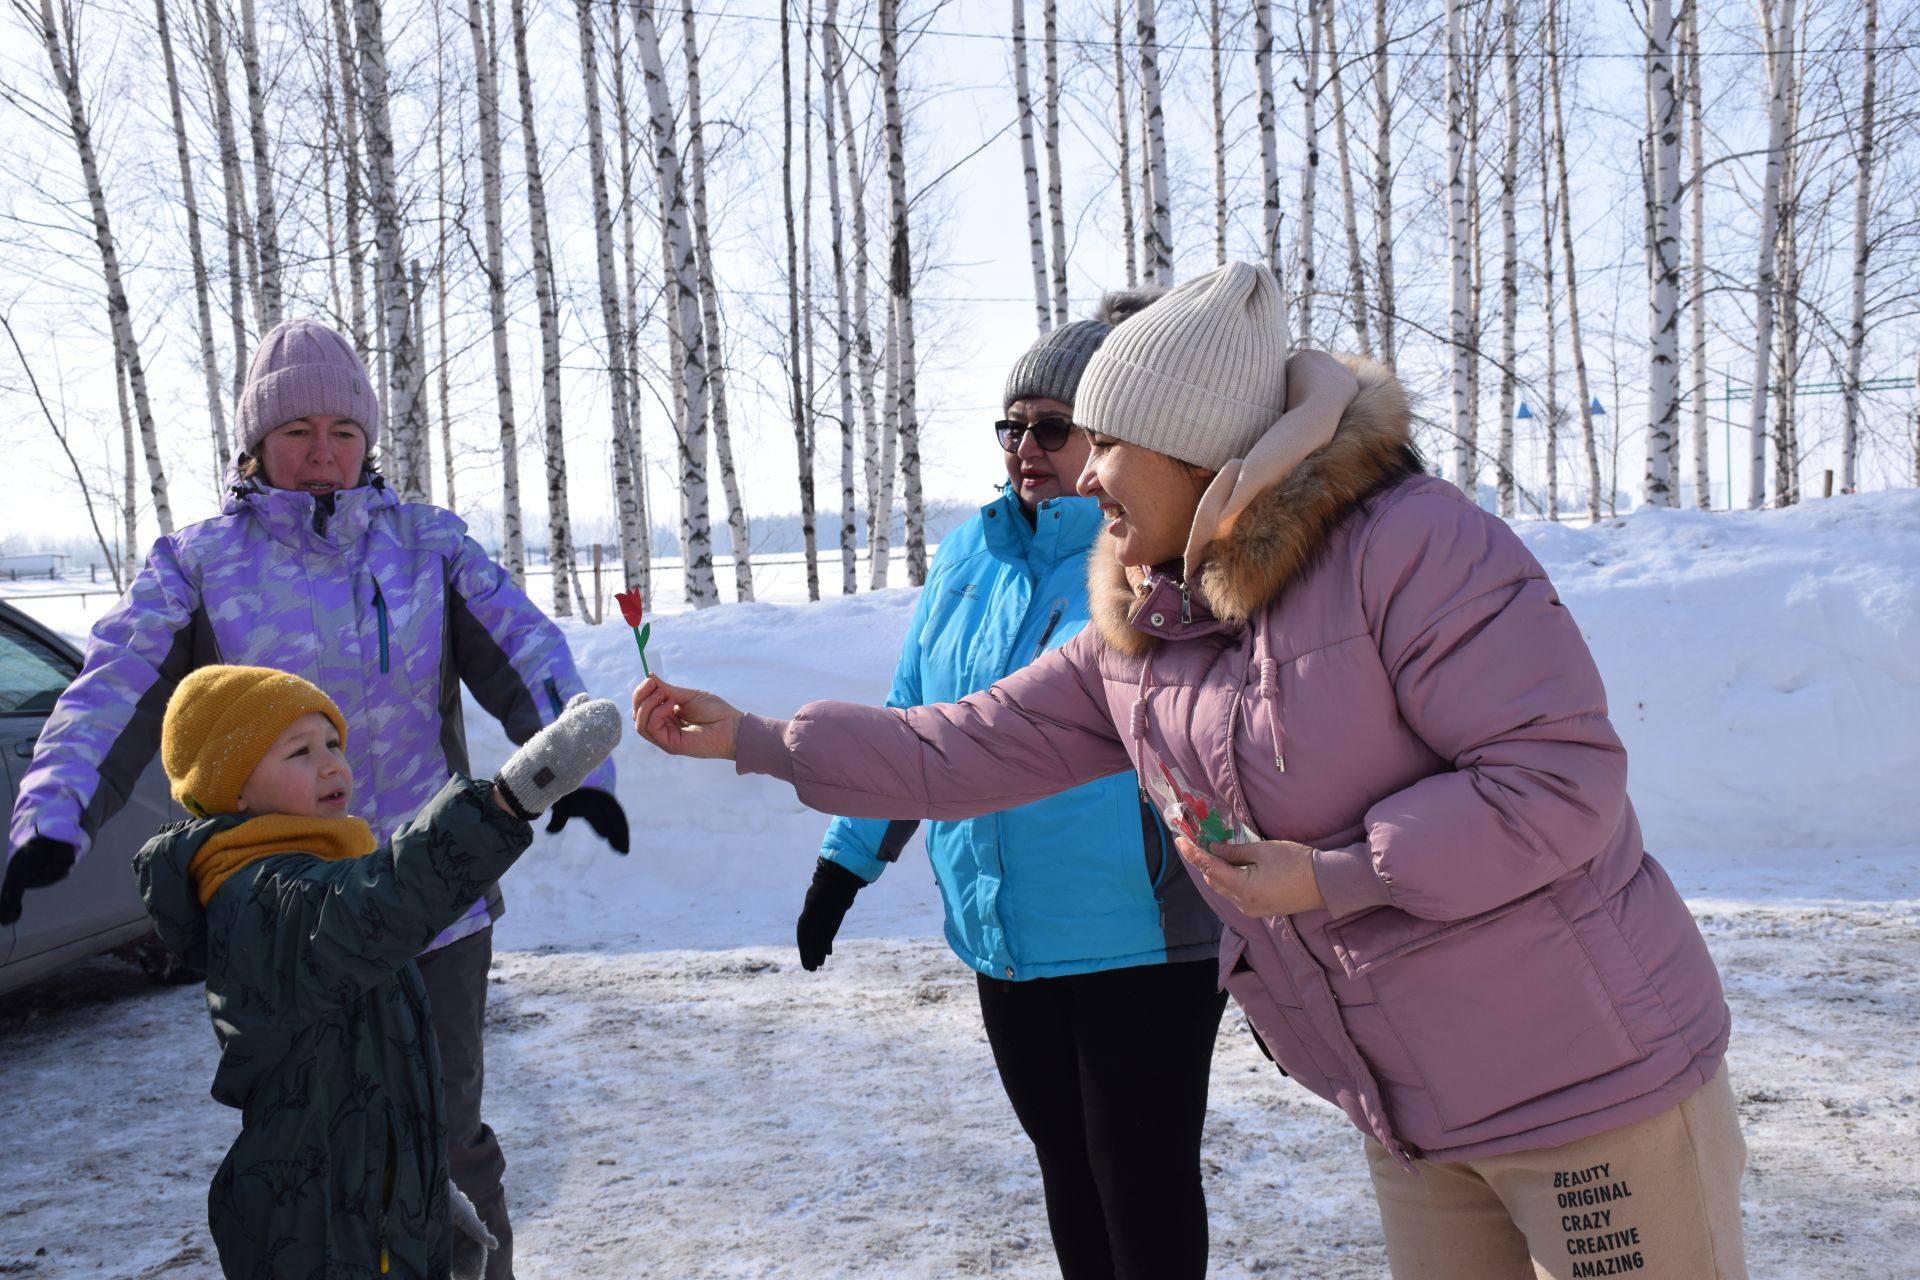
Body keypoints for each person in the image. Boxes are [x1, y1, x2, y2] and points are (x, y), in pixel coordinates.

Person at [632, 263, 1746, 1280]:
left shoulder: (1412, 546)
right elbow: (961, 742)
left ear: (1200, 450)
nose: (1088, 474)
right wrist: (759, 739)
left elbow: (1555, 784)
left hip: (1594, 1090)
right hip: (1415, 1113)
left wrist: (1332, 873)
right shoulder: (1149, 626)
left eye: (1106, 442)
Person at [2, 318, 625, 1280]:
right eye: (297, 432)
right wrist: (54, 812)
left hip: (432, 908)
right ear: (254, 446)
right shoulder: (197, 562)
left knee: (448, 1136)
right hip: (284, 919)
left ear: (369, 441)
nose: (324, 453)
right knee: (305, 1149)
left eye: (344, 429)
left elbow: (529, 651)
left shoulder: (429, 546)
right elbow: (109, 690)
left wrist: (580, 769)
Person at [794, 292, 1225, 1280]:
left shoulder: (1144, 558)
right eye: (1012, 423)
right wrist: (846, 861)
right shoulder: (968, 553)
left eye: (1052, 425)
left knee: (1143, 1186)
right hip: (1007, 939)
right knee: (1068, 1176)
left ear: (1110, 437)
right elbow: (915, 723)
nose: (1024, 444)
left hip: (1140, 939)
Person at [136, 665, 620, 1277]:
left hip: (366, 1211)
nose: (333, 764)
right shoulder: (260, 898)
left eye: (334, 743)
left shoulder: (308, 875)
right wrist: (511, 796)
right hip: (314, 1233)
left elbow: (363, 1082)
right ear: (234, 789)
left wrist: (418, 1195)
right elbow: (382, 900)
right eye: (300, 752)